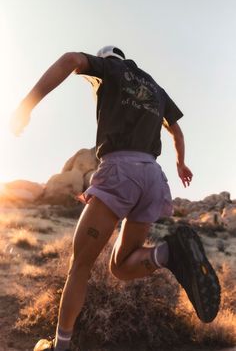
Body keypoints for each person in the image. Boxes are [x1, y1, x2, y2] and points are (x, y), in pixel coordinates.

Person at [11, 46, 220, 351]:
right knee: (120, 266)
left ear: (107, 58)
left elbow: (71, 59)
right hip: (153, 178)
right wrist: (181, 163)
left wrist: (26, 106)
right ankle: (167, 253)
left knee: (79, 266)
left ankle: (61, 347)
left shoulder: (109, 69)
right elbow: (177, 131)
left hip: (120, 171)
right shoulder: (154, 87)